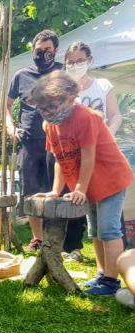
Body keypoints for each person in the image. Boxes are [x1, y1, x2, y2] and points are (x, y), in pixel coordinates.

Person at [31, 71, 134, 296]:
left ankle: (110, 281)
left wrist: (79, 188)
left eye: (51, 106)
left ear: (70, 98)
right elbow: (59, 158)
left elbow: (88, 156)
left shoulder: (87, 117)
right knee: (95, 231)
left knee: (108, 230)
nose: (46, 113)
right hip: (91, 185)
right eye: (42, 108)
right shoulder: (51, 126)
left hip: (111, 179)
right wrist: (55, 191)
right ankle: (101, 274)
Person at [51, 41, 126, 262]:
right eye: (70, 62)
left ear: (89, 61)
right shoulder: (63, 93)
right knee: (93, 224)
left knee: (108, 225)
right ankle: (100, 268)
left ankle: (113, 273)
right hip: (79, 162)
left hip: (103, 158)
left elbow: (115, 115)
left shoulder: (102, 86)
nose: (74, 65)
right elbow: (61, 154)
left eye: (79, 61)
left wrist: (106, 136)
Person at [6, 29, 64, 252]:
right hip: (29, 140)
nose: (42, 54)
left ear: (55, 50)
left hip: (58, 140)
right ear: (33, 50)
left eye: (47, 50)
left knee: (56, 189)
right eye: (38, 50)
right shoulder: (21, 75)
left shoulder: (63, 72)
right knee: (31, 190)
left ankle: (56, 238)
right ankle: (37, 238)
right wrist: (11, 127)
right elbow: (7, 106)